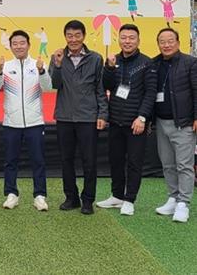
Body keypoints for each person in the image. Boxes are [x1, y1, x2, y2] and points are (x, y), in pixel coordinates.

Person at [49, 20, 107, 215]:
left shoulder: (95, 58)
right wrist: (57, 65)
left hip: (88, 117)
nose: (73, 39)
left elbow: (100, 88)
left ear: (83, 36)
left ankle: (88, 200)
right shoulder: (57, 57)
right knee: (66, 160)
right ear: (65, 37)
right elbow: (54, 85)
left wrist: (102, 114)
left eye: (77, 35)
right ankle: (71, 197)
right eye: (69, 36)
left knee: (89, 161)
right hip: (64, 117)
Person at [0, 30, 52, 211]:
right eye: (15, 43)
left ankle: (39, 196)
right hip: (11, 122)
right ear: (10, 46)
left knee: (38, 160)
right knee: (10, 161)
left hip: (35, 122)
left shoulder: (38, 65)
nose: (18, 46)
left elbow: (48, 87)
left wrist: (42, 71)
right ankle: (11, 194)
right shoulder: (6, 66)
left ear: (29, 45)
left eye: (22, 43)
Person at [97, 24, 155, 216]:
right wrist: (109, 68)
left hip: (135, 123)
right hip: (115, 121)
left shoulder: (147, 63)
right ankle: (116, 196)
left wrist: (142, 117)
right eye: (124, 37)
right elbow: (106, 86)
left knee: (134, 163)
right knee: (115, 160)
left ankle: (129, 199)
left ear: (138, 40)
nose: (127, 41)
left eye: (131, 38)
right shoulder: (113, 60)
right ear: (118, 39)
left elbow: (150, 93)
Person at [150, 28, 197, 223]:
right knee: (168, 164)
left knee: (184, 165)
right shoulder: (154, 63)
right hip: (161, 122)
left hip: (183, 123)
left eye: (170, 41)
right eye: (162, 41)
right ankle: (173, 197)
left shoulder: (190, 63)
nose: (166, 45)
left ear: (178, 42)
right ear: (158, 44)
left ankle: (183, 203)